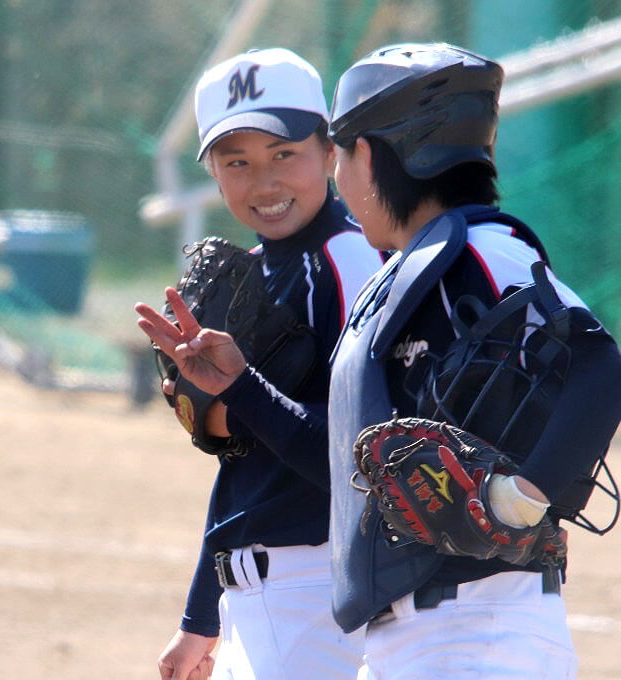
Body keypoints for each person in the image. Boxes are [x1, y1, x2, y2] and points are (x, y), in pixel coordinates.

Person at [323, 43, 621, 678]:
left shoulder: (484, 250)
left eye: (339, 151)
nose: (336, 176)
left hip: (480, 627)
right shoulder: (412, 270)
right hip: (428, 634)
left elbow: (604, 371)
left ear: (369, 153)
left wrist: (519, 499)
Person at [135, 48, 383, 680]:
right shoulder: (253, 273)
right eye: (236, 161)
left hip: (318, 590)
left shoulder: (346, 261)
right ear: (214, 175)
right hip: (265, 596)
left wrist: (240, 393)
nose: (264, 182)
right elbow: (250, 469)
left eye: (283, 155)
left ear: (330, 153)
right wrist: (201, 617)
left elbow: (357, 456)